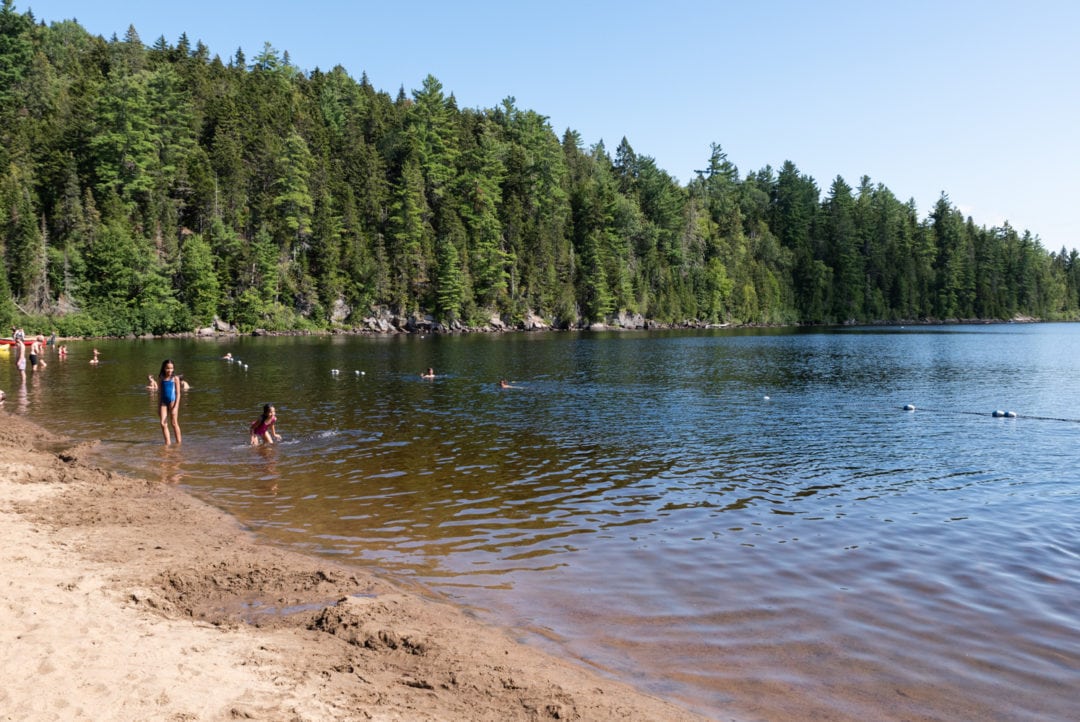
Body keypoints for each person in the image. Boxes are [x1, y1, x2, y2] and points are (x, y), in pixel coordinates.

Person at [157, 359, 182, 445]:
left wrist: (175, 407)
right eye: (167, 368)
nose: (170, 370)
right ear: (164, 368)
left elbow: (178, 394)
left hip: (172, 401)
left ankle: (179, 444)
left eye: (171, 368)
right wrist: (158, 406)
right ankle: (168, 443)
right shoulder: (161, 378)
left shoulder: (175, 378)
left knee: (174, 423)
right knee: (163, 423)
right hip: (163, 402)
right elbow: (159, 393)